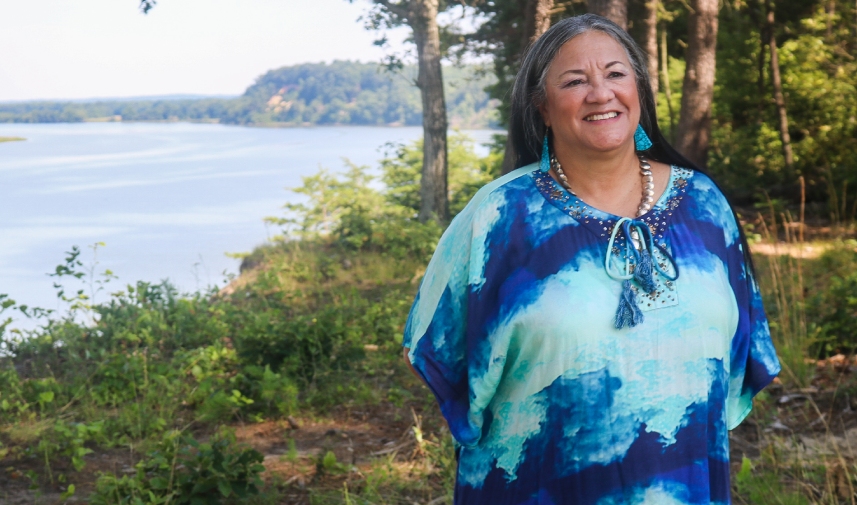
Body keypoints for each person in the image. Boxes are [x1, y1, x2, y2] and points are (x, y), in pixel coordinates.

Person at [402, 13, 780, 505]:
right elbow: (440, 355)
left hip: (683, 485)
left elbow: (736, 355)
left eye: (616, 74)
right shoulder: (498, 215)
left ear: (639, 90)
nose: (601, 93)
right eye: (575, 80)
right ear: (541, 106)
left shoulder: (704, 202)